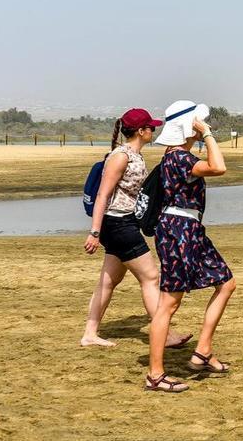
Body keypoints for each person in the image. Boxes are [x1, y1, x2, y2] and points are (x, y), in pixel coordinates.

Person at [145, 100, 236, 393]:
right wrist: (207, 133)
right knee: (168, 303)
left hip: (190, 228)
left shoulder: (176, 157)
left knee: (226, 283)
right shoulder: (179, 159)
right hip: (178, 230)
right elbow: (219, 167)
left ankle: (204, 349)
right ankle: (155, 375)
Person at [81, 108, 192, 348]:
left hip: (123, 222)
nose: (154, 130)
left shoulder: (135, 155)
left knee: (109, 281)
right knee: (151, 277)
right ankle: (165, 334)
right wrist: (95, 232)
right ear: (140, 131)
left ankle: (90, 333)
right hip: (118, 224)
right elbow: (103, 194)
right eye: (150, 127)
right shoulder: (121, 156)